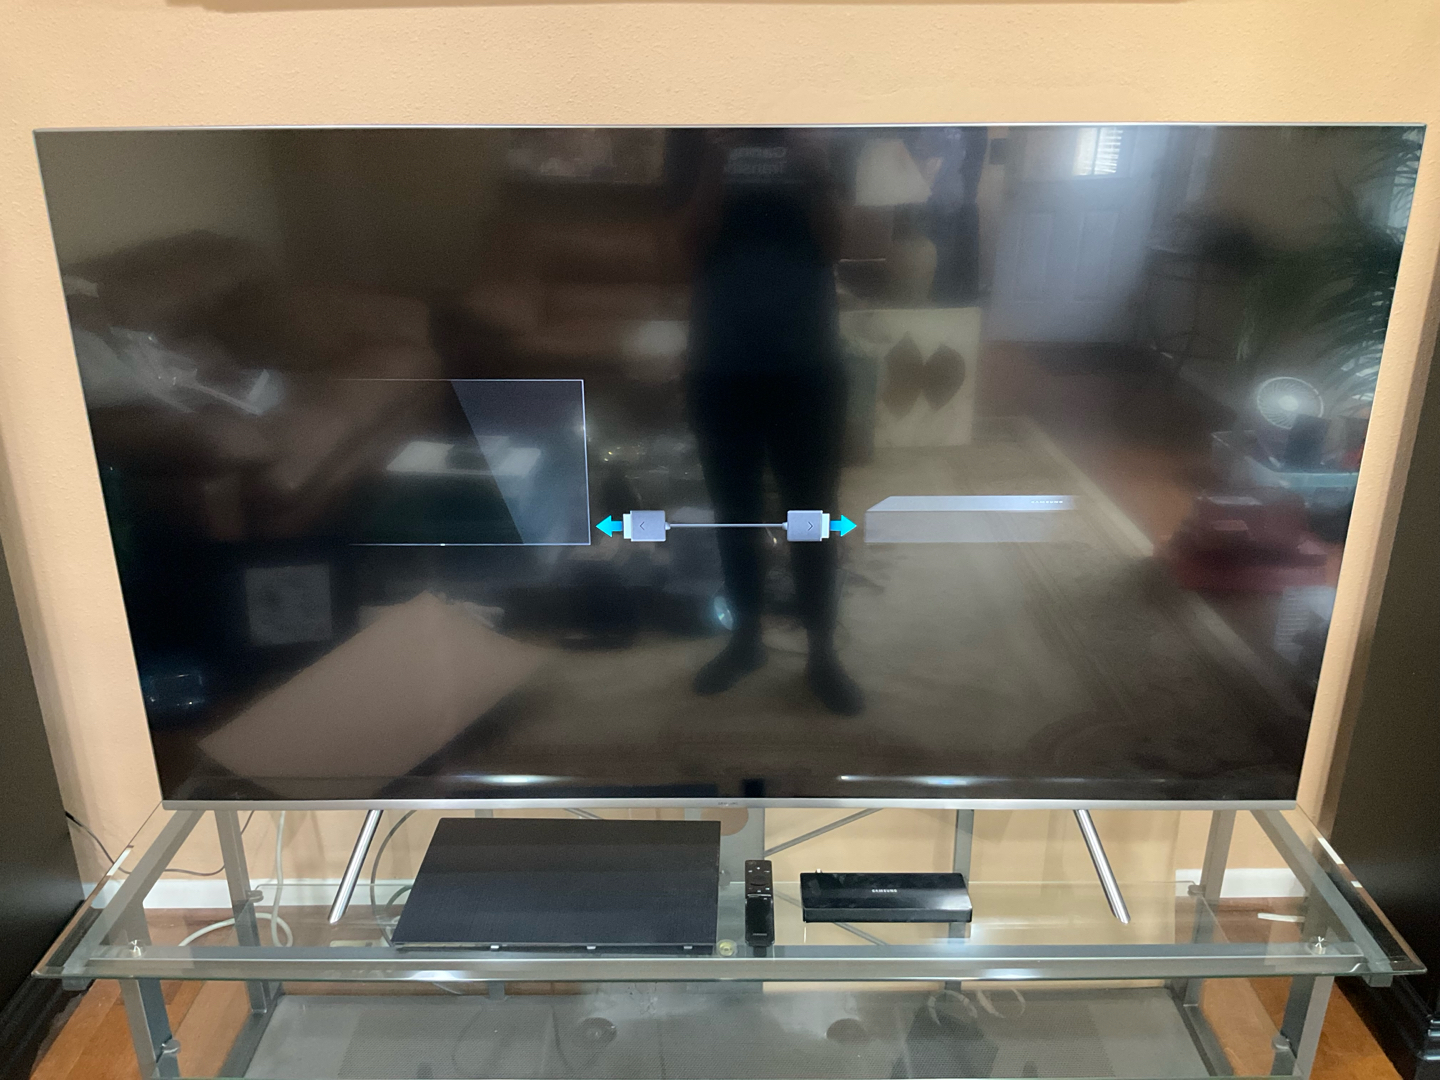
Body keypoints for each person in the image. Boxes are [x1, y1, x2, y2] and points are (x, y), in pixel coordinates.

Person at [673, 128, 862, 715]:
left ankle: (822, 652)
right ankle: (745, 639)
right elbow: (684, 249)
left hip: (808, 364)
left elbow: (837, 246)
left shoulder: (826, 138)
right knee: (735, 511)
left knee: (812, 515)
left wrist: (818, 175)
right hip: (719, 362)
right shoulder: (694, 140)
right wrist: (714, 169)